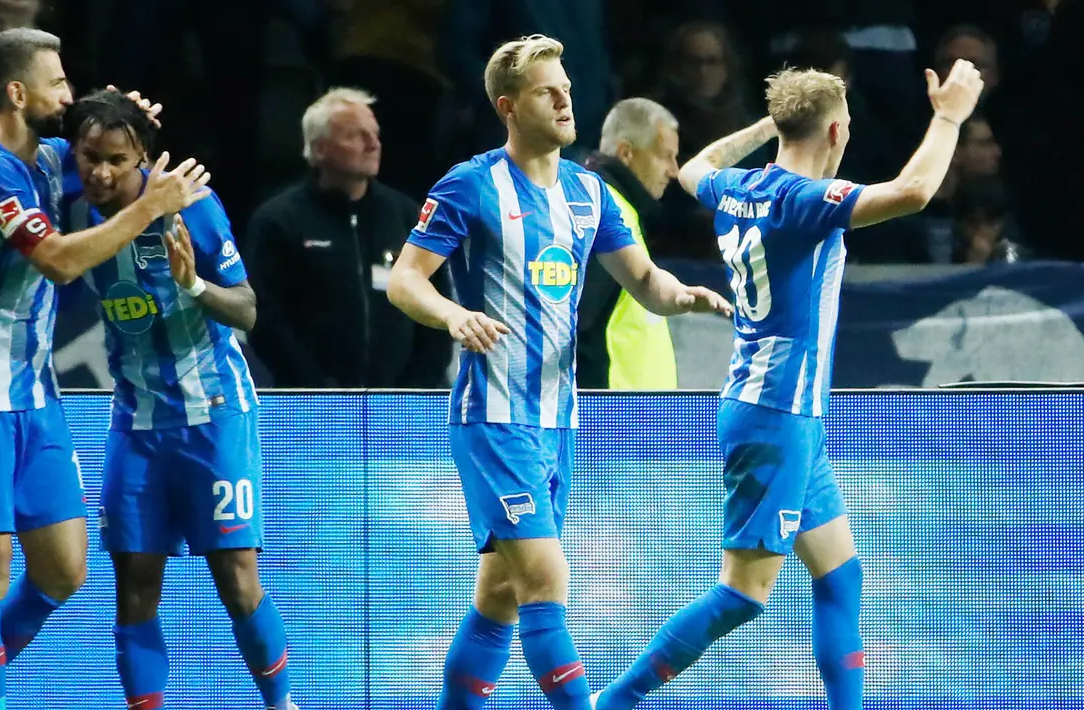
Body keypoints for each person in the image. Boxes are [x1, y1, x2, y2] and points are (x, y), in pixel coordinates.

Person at [592, 61, 984, 710]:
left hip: (778, 412)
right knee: (741, 595)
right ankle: (613, 702)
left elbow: (693, 167)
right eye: (847, 128)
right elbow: (914, 191)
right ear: (835, 130)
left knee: (839, 575)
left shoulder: (738, 187)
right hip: (775, 416)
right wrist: (948, 116)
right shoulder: (806, 203)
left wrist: (767, 123)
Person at [386, 35, 732, 710]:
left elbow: (645, 283)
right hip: (492, 417)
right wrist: (453, 317)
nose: (565, 100)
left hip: (556, 421)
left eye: (568, 88)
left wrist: (683, 295)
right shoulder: (470, 183)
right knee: (546, 583)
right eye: (549, 92)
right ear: (509, 107)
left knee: (499, 600)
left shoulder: (588, 193)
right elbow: (403, 280)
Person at [0, 28, 209, 710]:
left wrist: (123, 118)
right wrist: (151, 206)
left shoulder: (46, 157)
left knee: (62, 570)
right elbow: (59, 259)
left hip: (33, 394)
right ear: (16, 92)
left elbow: (96, 156)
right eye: (57, 83)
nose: (66, 94)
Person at [62, 89, 293, 710]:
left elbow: (245, 308)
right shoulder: (73, 204)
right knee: (135, 584)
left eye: (118, 159)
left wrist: (193, 284)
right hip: (135, 424)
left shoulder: (192, 205)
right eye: (90, 157)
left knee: (236, 581)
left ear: (143, 154)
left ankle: (282, 704)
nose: (102, 173)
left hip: (213, 419)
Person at [245, 87, 451, 389]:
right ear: (319, 148)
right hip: (311, 405)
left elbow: (437, 308)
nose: (373, 144)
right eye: (356, 136)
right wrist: (316, 388)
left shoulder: (408, 217)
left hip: (402, 404)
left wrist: (415, 387)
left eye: (375, 134)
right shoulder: (279, 221)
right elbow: (267, 320)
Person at [578, 97, 682, 390]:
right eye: (664, 156)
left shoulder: (615, 206)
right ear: (626, 153)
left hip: (630, 414)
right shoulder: (605, 211)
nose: (673, 171)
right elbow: (579, 326)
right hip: (613, 415)